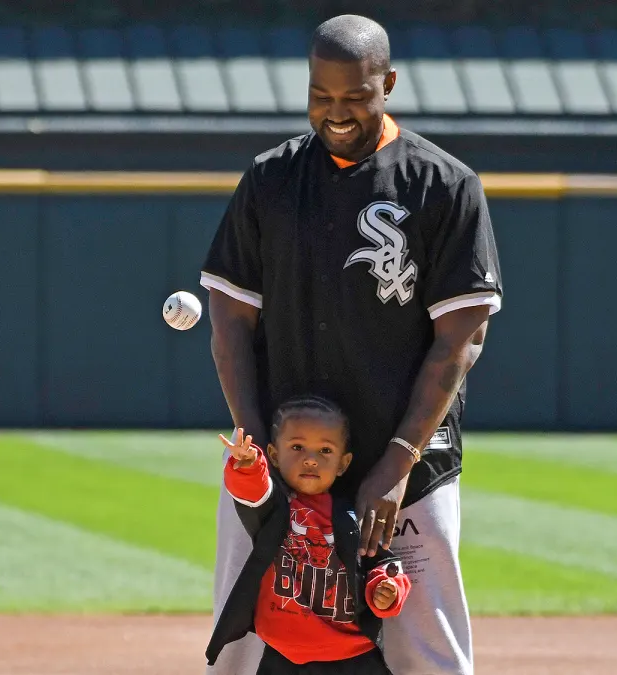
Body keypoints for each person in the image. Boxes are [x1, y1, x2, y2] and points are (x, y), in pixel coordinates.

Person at [200, 13, 502, 675]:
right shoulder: (271, 180)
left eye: (356, 96)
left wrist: (395, 464)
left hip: (409, 469)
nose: (336, 113)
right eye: (321, 95)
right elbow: (228, 320)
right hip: (285, 464)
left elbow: (461, 336)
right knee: (240, 649)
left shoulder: (444, 186)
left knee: (427, 651)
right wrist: (257, 453)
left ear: (388, 84)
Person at [206, 395, 412, 674]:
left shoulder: (354, 514)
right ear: (275, 456)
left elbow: (383, 564)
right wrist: (248, 466)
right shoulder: (274, 509)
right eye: (297, 447)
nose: (311, 460)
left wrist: (387, 590)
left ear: (343, 463)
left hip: (352, 655)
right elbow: (253, 491)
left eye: (325, 451)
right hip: (282, 656)